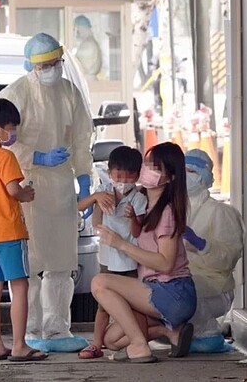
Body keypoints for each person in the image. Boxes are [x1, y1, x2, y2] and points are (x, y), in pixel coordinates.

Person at [0, 32, 94, 352]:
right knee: (32, 264)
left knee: (62, 262)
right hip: (27, 186)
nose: (52, 69)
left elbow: (81, 137)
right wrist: (35, 158)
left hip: (62, 186)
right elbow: (3, 142)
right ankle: (32, 329)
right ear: (31, 66)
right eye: (45, 65)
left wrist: (83, 177)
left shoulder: (69, 92)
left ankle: (57, 329)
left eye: (56, 63)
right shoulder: (15, 93)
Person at [93, 142, 197, 362]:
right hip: (153, 291)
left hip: (172, 291)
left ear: (171, 178)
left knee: (99, 283)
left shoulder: (166, 212)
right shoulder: (143, 206)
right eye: (147, 163)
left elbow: (166, 263)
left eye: (155, 168)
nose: (147, 170)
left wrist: (121, 244)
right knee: (111, 340)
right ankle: (170, 332)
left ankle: (140, 346)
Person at [0, 98, 48, 362]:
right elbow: (13, 190)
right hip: (9, 232)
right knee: (20, 287)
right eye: (10, 127)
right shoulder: (5, 156)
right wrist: (26, 194)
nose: (12, 133)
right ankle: (19, 345)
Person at [76, 146, 147, 359]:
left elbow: (138, 231)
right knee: (103, 306)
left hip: (130, 260)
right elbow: (83, 209)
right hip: (107, 257)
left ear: (138, 175)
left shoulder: (138, 198)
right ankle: (97, 343)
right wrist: (97, 197)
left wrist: (133, 217)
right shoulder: (105, 190)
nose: (123, 181)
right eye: (118, 175)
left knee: (134, 306)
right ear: (109, 172)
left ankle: (134, 340)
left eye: (130, 176)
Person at [183, 149, 244, 353]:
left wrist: (202, 245)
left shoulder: (221, 213)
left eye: (191, 171)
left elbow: (229, 257)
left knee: (185, 290)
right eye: (181, 170)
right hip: (182, 277)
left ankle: (209, 335)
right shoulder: (174, 209)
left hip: (215, 287)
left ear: (205, 177)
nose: (185, 176)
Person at [73, 15, 102, 81]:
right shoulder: (89, 42)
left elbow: (82, 67)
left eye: (77, 30)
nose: (77, 33)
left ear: (82, 28)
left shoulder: (88, 44)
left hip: (88, 81)